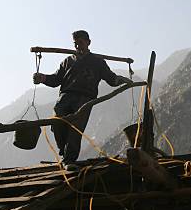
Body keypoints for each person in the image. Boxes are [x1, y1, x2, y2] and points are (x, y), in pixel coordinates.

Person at [33, 30, 132, 167]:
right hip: (65, 97)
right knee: (57, 123)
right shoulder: (67, 61)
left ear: (88, 43)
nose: (78, 46)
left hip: (85, 98)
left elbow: (111, 79)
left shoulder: (98, 62)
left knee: (75, 129)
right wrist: (42, 78)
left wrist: (121, 80)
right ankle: (64, 153)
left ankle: (69, 160)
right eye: (75, 44)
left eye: (80, 43)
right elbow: (55, 80)